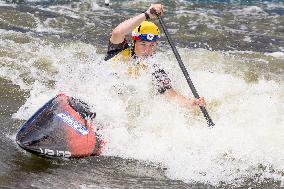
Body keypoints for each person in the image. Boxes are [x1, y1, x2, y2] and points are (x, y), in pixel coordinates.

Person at [105, 4, 206, 110]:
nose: (147, 50)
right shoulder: (119, 51)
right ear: (133, 42)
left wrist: (191, 103)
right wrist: (146, 14)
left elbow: (172, 96)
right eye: (143, 44)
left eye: (152, 45)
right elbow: (117, 33)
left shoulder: (153, 68)